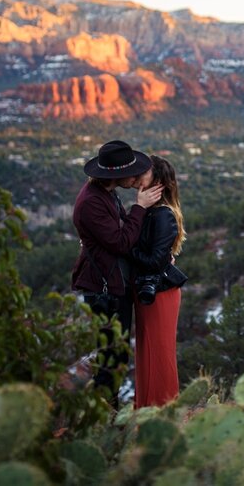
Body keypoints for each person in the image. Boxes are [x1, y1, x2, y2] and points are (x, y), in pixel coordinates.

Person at [71, 140, 162, 406]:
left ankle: (106, 412)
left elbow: (115, 233)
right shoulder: (91, 202)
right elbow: (121, 242)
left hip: (112, 285)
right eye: (132, 173)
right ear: (117, 175)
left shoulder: (105, 193)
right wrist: (140, 207)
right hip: (103, 289)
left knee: (117, 355)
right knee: (111, 357)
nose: (136, 177)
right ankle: (104, 418)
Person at [130, 154, 187, 408]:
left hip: (161, 295)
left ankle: (162, 413)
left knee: (159, 355)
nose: (140, 174)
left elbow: (155, 261)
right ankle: (146, 412)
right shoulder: (151, 212)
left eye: (146, 171)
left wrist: (122, 247)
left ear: (159, 181)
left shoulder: (163, 215)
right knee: (147, 354)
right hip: (149, 292)